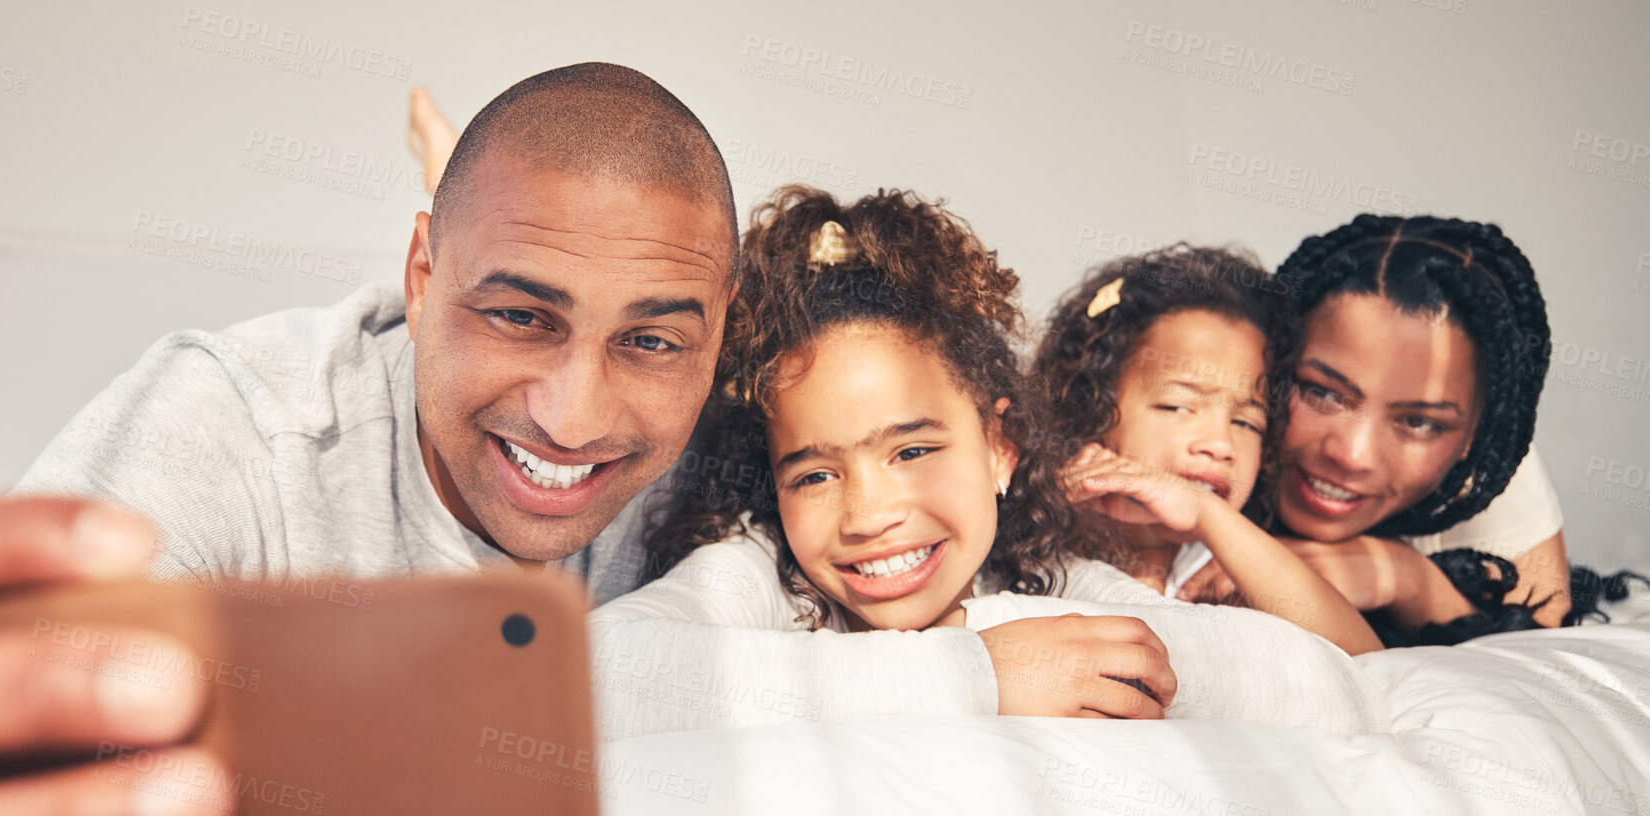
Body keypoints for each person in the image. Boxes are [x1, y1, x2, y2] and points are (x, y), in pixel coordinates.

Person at [0, 64, 1177, 816]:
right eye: (516, 315)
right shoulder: (237, 418)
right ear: (416, 274)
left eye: (650, 341)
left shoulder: (737, 478)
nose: (573, 417)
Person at [595, 186, 1384, 732]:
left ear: (1000, 447)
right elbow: (588, 679)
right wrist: (976, 672)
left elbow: (1336, 687)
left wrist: (995, 627)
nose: (870, 513)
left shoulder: (1042, 577)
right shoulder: (766, 573)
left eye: (912, 448)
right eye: (814, 474)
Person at [1178, 216, 1575, 640]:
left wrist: (1407, 580)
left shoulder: (1484, 469)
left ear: (1473, 438)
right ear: (1272, 362)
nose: (1352, 454)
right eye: (1322, 392)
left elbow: (1540, 634)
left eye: (1419, 422)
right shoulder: (1194, 425)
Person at [1026, 245, 1381, 654]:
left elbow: (1364, 656)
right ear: (1089, 408)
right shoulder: (1034, 534)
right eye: (1178, 406)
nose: (1220, 445)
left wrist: (1207, 514)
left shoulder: (1225, 562)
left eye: (1247, 422)